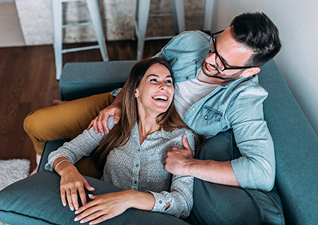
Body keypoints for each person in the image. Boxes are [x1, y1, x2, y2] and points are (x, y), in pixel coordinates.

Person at [25, 12, 281, 191]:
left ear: (248, 71)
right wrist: (115, 105)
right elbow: (146, 70)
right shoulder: (193, 41)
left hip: (152, 140)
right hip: (124, 105)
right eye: (215, 44)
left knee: (67, 178)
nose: (210, 58)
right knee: (36, 124)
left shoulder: (245, 99)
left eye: (222, 63)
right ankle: (41, 159)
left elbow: (262, 173)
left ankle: (51, 163)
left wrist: (191, 165)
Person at [45, 57, 202, 224]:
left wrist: (128, 198)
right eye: (154, 80)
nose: (163, 86)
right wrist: (68, 171)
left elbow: (183, 203)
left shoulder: (181, 137)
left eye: (168, 82)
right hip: (102, 218)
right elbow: (63, 153)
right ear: (136, 89)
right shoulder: (114, 123)